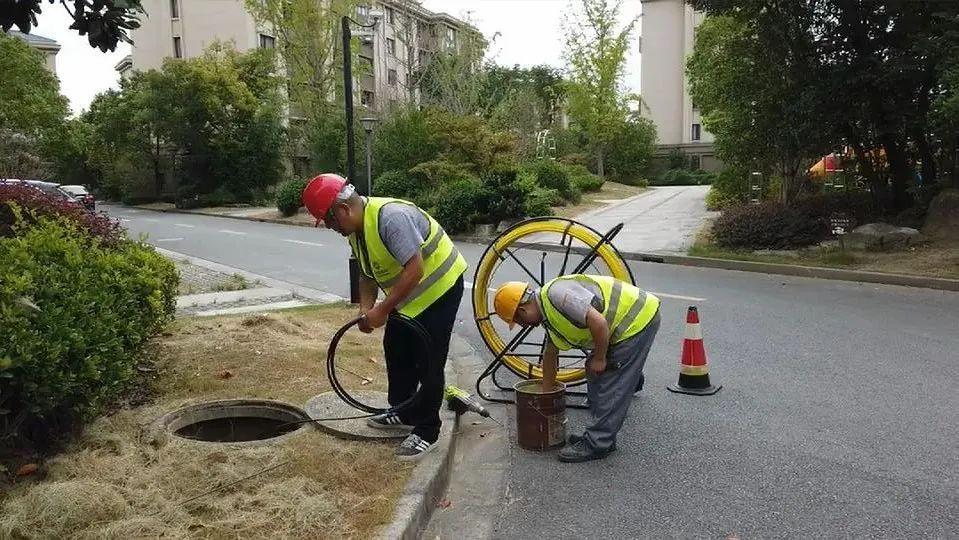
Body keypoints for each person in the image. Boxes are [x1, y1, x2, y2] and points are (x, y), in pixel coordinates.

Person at [302, 174, 467, 460]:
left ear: (342, 210)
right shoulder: (357, 231)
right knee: (396, 348)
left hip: (440, 288)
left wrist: (383, 309)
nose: (332, 229)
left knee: (429, 359)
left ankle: (427, 430)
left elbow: (414, 270)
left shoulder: (391, 219)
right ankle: (404, 411)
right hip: (410, 298)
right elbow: (367, 272)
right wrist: (366, 307)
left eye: (330, 222)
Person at [492, 275, 660, 463]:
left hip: (635, 319)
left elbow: (599, 323)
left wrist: (600, 358)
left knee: (610, 378)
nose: (524, 326)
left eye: (521, 321)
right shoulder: (548, 314)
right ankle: (601, 430)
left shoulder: (558, 296)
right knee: (594, 370)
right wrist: (546, 395)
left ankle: (599, 442)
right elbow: (550, 355)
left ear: (522, 309)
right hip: (623, 324)